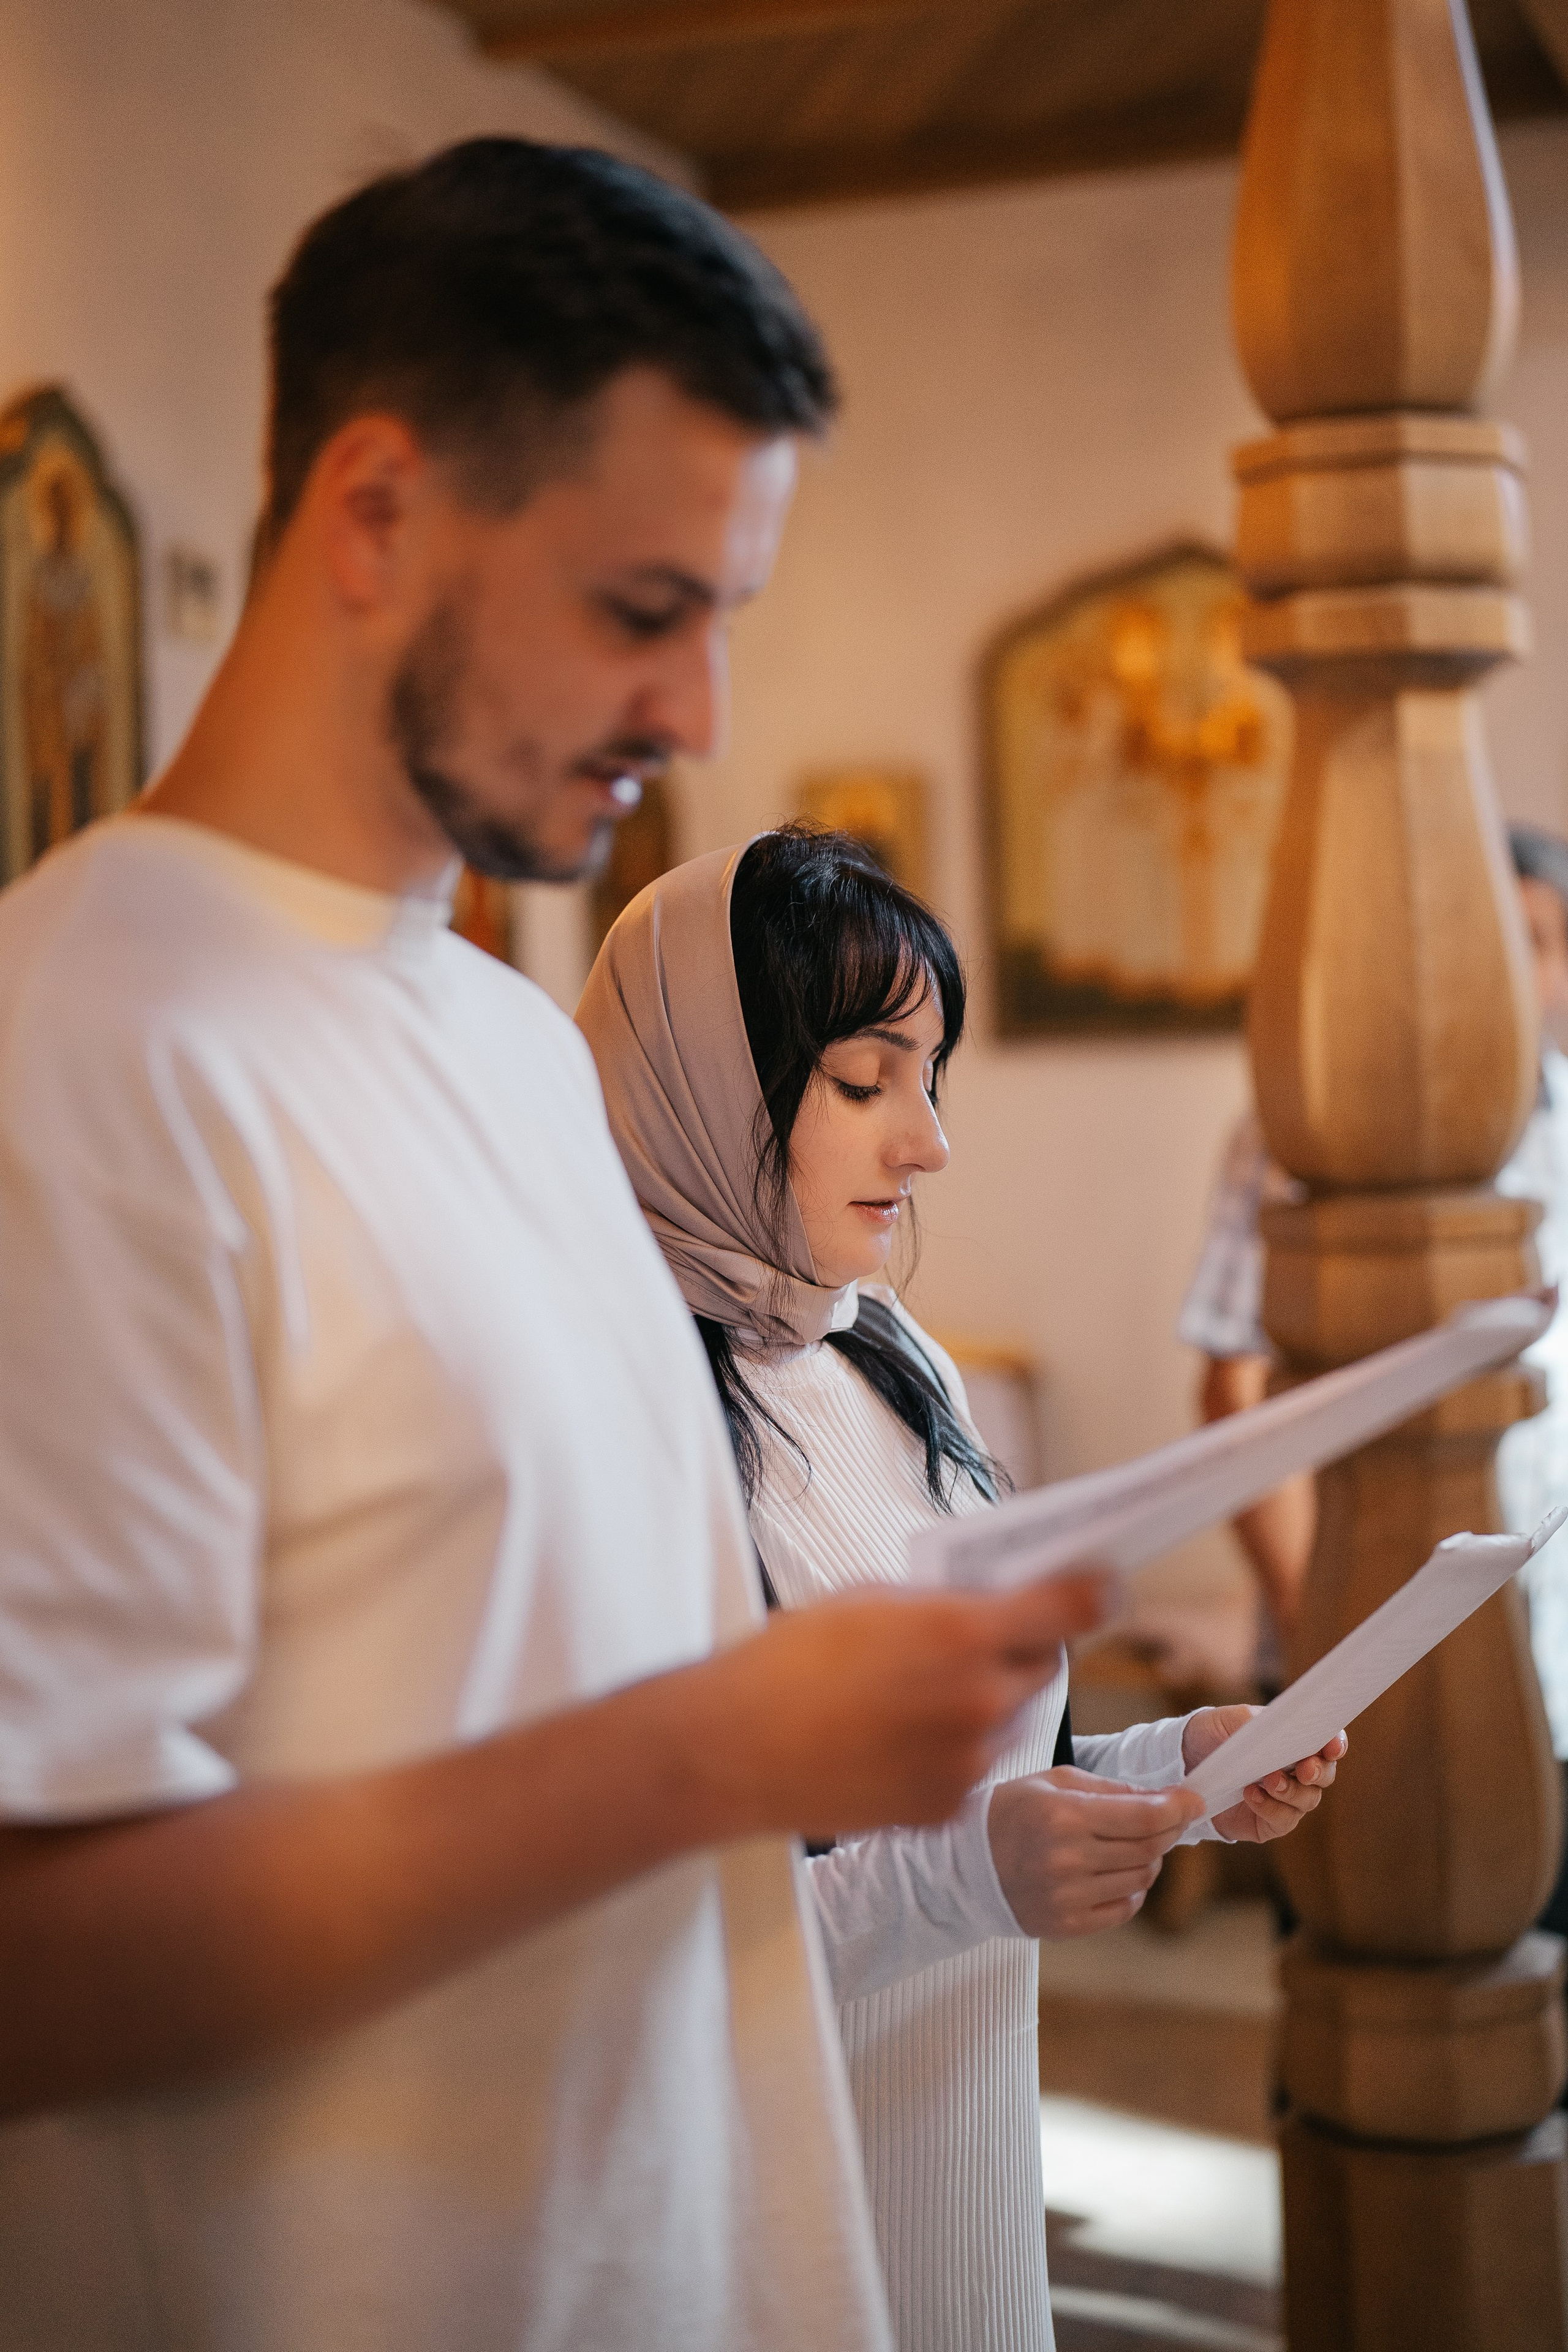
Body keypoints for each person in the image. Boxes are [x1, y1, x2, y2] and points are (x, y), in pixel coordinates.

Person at [0, 143, 1115, 2352]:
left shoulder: (515, 1050)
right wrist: (729, 1750)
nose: (702, 713)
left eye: (728, 619)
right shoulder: (87, 1049)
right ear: (381, 509)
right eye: (642, 606)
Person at [576, 826, 1343, 2352]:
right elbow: (633, 1955)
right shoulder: (607, 1423)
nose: (925, 1142)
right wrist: (966, 1877)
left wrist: (1160, 1765)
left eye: (932, 1081)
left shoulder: (880, 1350)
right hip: (770, 2221)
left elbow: (983, 1761)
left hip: (962, 2159)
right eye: (865, 1083)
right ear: (707, 1087)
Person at [1180, 821, 1568, 1726]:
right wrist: (1318, 1626)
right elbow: (1238, 1389)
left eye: (1536, 944)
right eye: (1483, 942)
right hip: (1354, 1606)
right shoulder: (1294, 1135)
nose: (1507, 973)